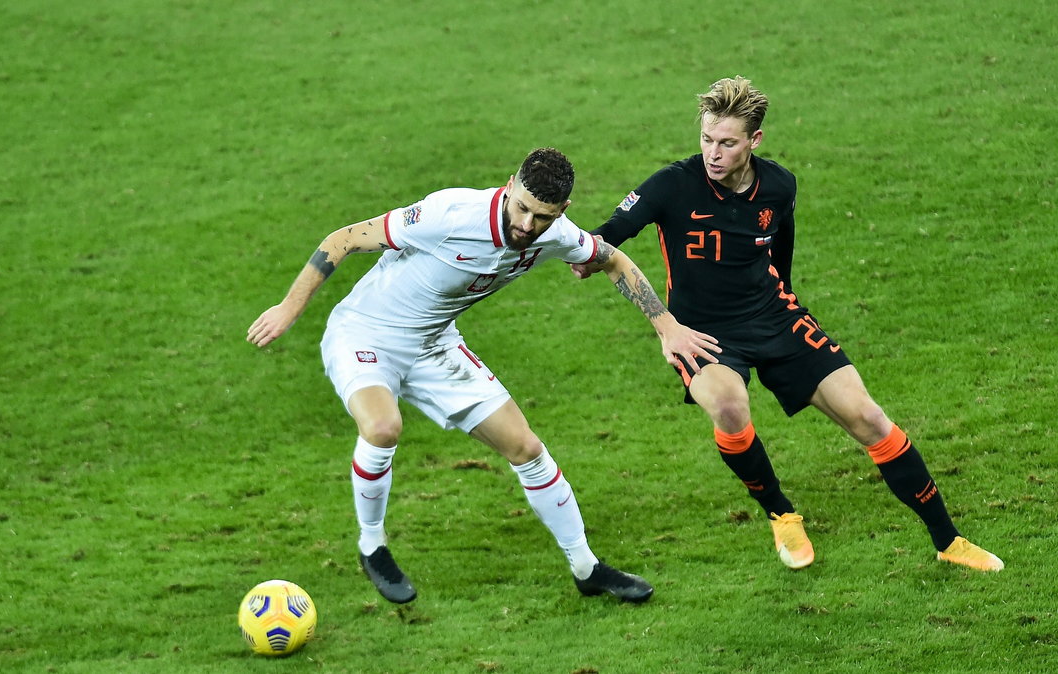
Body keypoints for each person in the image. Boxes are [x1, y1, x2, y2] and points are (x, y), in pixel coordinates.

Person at [247, 148, 721, 604]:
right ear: (509, 186)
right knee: (383, 427)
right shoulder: (449, 213)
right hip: (366, 335)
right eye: (522, 209)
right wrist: (290, 307)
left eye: (543, 217)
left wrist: (668, 327)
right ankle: (373, 547)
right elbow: (346, 237)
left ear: (563, 210)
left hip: (435, 345)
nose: (527, 226)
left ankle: (586, 569)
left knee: (527, 447)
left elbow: (612, 258)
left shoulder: (557, 234)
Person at [576, 77, 1003, 572]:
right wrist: (653, 315)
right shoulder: (672, 185)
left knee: (867, 417)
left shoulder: (779, 186)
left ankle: (948, 541)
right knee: (730, 407)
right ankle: (781, 512)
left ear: (754, 141)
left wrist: (787, 309)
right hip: (702, 330)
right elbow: (604, 242)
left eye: (727, 143)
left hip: (774, 317)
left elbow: (782, 254)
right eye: (706, 139)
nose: (713, 153)